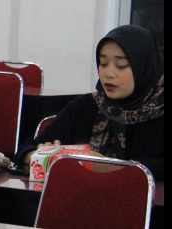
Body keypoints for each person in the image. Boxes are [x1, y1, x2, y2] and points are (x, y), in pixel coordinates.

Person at [18, 25, 163, 180]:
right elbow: (25, 150)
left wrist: (108, 166)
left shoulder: (159, 111)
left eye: (121, 65)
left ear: (144, 68)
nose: (109, 73)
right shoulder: (87, 106)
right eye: (103, 63)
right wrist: (40, 155)